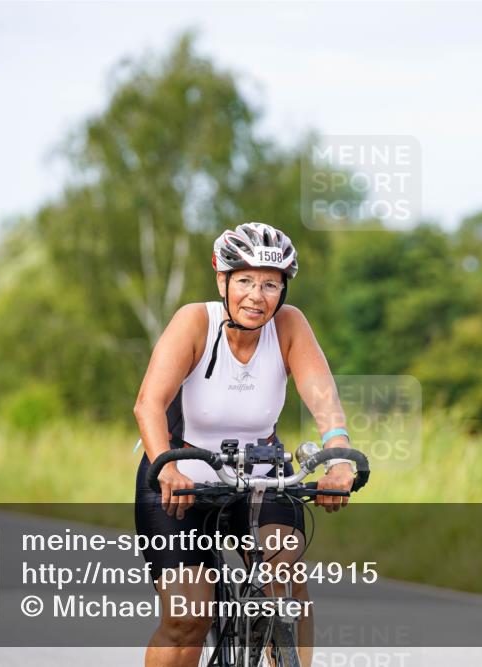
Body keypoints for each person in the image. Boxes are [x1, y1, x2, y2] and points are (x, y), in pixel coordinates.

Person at [133, 222, 356, 667]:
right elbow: (148, 404)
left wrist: (339, 456)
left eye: (270, 284)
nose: (257, 296)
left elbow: (323, 398)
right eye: (246, 281)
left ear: (283, 289)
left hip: (261, 477)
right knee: (188, 618)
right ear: (223, 280)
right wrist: (166, 468)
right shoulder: (194, 322)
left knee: (286, 583)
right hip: (181, 479)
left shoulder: (289, 325)